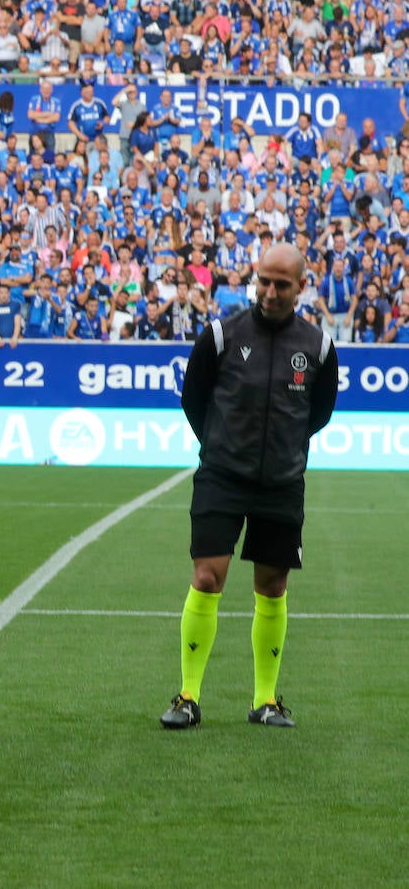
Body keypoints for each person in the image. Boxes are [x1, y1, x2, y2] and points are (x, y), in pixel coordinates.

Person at [160, 243, 339, 731]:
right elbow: (194, 400)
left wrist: (281, 450)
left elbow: (317, 414)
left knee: (272, 585)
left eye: (281, 284)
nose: (269, 291)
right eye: (263, 280)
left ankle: (266, 701)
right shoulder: (221, 335)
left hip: (281, 484)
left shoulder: (318, 347)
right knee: (206, 577)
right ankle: (187, 695)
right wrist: (222, 447)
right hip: (222, 476)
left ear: (301, 287)